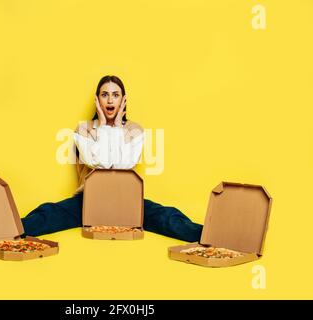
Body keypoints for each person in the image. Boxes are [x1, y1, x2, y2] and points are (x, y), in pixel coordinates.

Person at [21, 75, 202, 242]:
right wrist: (105, 126)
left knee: (167, 217)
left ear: (123, 100)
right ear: (97, 99)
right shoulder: (84, 129)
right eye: (104, 95)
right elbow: (102, 164)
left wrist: (116, 126)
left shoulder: (134, 130)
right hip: (88, 201)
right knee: (48, 214)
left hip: (127, 200)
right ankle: (6, 229)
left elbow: (123, 165)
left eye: (115, 95)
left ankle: (211, 235)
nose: (109, 100)